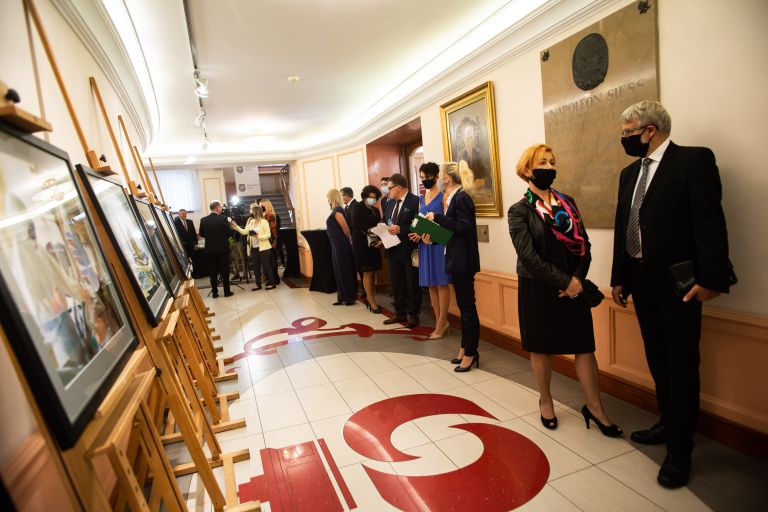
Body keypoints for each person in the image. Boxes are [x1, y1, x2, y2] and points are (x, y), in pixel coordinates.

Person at [611, 101, 734, 488]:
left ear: (650, 130)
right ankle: (668, 422)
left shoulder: (693, 161)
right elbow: (624, 226)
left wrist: (711, 277)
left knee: (681, 366)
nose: (625, 138)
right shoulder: (630, 173)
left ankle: (680, 451)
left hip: (680, 285)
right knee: (658, 361)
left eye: (629, 132)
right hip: (642, 282)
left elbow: (709, 222)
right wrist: (619, 278)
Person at [508, 144, 621, 437]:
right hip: (538, 287)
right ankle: (545, 401)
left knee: (584, 346)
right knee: (541, 347)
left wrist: (577, 280)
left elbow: (584, 245)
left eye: (552, 162)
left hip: (574, 285)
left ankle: (595, 407)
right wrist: (565, 283)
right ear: (528, 170)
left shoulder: (567, 203)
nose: (549, 167)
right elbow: (528, 256)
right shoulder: (519, 210)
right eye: (542, 162)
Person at [424, 162, 480, 372]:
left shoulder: (462, 197)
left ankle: (471, 352)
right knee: (465, 309)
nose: (438, 179)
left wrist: (438, 218)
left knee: (467, 309)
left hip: (463, 261)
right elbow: (454, 235)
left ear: (446, 178)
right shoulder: (454, 198)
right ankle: (465, 348)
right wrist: (434, 238)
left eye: (440, 175)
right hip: (457, 259)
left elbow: (465, 228)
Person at [408, 162, 450, 339]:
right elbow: (418, 221)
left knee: (441, 282)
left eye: (427, 177)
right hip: (424, 244)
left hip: (439, 243)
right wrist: (416, 232)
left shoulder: (443, 196)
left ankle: (442, 322)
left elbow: (447, 221)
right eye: (422, 177)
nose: (424, 180)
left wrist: (429, 231)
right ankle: (439, 320)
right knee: (430, 283)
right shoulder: (421, 198)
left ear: (436, 176)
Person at [382, 173, 421, 328]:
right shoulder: (390, 203)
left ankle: (413, 314)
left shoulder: (415, 201)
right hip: (392, 249)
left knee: (412, 283)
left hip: (409, 249)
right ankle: (400, 313)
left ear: (398, 187)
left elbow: (419, 225)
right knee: (396, 283)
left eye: (390, 188)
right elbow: (385, 220)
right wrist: (381, 231)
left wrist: (401, 229)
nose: (388, 191)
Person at [350, 185, 383, 314]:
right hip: (361, 244)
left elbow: (379, 224)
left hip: (374, 244)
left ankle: (370, 297)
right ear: (365, 197)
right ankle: (371, 301)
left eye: (375, 198)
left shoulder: (375, 210)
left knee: (373, 271)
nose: (372, 200)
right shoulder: (357, 207)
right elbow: (356, 224)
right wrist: (372, 230)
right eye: (370, 198)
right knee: (367, 272)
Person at [230, 203, 274, 290]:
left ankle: (272, 283)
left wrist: (258, 236)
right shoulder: (251, 222)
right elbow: (244, 232)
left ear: (256, 212)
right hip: (254, 248)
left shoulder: (264, 222)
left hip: (264, 248)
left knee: (266, 266)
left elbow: (268, 235)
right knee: (256, 268)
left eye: (252, 211)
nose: (251, 212)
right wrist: (236, 226)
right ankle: (258, 285)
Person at [326, 189, 357, 306]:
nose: (327, 200)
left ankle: (350, 297)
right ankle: (342, 297)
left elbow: (345, 229)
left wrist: (349, 240)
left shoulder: (337, 210)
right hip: (335, 244)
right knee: (338, 270)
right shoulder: (335, 211)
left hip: (340, 244)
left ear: (333, 197)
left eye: (328, 197)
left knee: (344, 270)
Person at [198, 200, 233, 298]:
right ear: (217, 208)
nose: (221, 209)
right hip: (223, 249)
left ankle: (214, 292)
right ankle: (226, 292)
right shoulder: (223, 219)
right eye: (221, 207)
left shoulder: (203, 220)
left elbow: (201, 234)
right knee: (225, 271)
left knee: (213, 271)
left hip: (210, 249)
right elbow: (229, 233)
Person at [341, 186, 364, 299]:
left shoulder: (356, 205)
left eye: (341, 195)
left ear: (346, 195)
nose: (341, 198)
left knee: (360, 266)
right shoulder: (346, 207)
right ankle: (354, 288)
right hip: (349, 240)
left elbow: (353, 223)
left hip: (356, 239)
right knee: (352, 265)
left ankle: (365, 289)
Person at [259, 198, 281, 285]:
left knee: (273, 261)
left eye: (262, 206)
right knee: (268, 262)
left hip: (273, 241)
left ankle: (275, 279)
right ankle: (271, 278)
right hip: (266, 241)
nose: (260, 208)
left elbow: (275, 231)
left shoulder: (274, 217)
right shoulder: (263, 217)